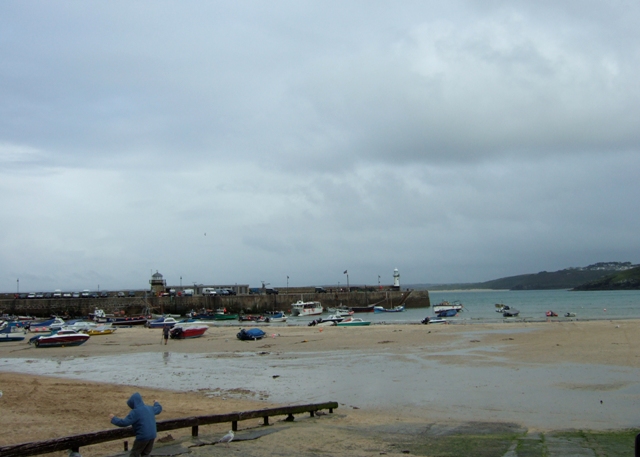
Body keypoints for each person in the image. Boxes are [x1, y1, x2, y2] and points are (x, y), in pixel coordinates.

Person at [109, 393, 162, 457]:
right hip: (152, 435)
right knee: (145, 454)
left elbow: (124, 422)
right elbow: (158, 409)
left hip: (143, 436)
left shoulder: (135, 412)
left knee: (134, 454)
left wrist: (114, 419)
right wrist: (156, 403)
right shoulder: (149, 408)